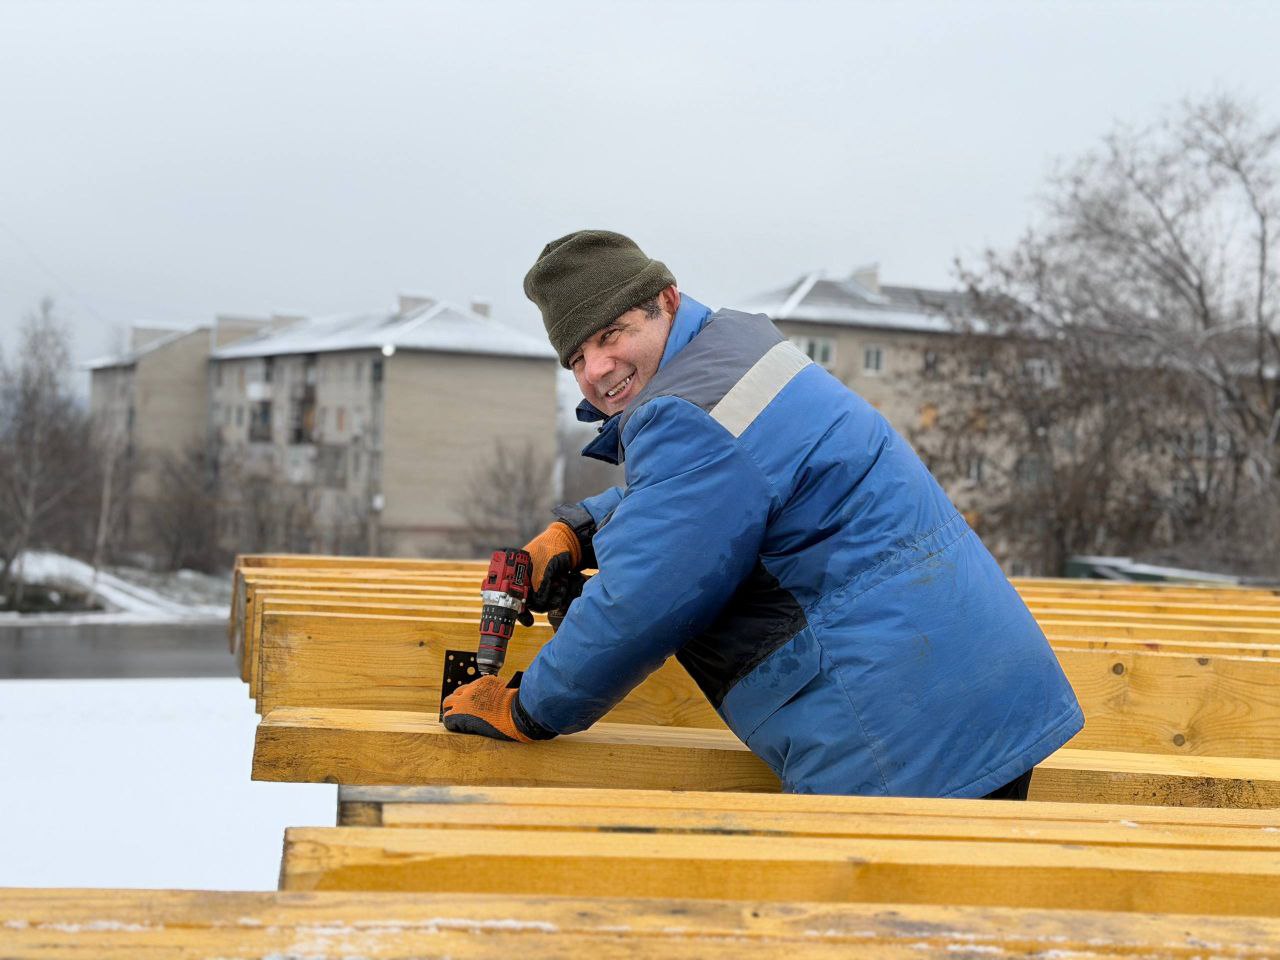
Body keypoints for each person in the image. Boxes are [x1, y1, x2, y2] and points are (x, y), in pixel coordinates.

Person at [442, 229, 1083, 799]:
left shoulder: (686, 415)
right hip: (961, 682)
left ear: (665, 300)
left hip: (896, 730)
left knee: (885, 926)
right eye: (577, 358)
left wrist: (529, 708)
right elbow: (728, 487)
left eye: (610, 335)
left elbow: (640, 599)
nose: (598, 369)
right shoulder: (736, 352)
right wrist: (579, 532)